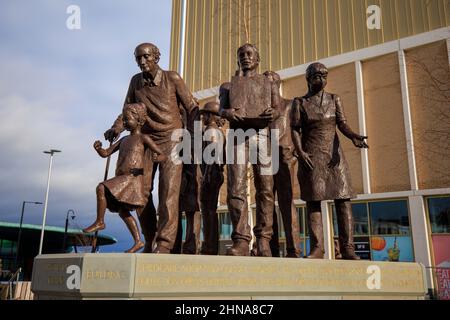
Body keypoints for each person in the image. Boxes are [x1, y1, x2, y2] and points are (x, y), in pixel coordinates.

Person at [104, 43, 198, 253]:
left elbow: (192, 107)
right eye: (138, 58)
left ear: (156, 57)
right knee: (140, 193)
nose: (142, 61)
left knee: (168, 192)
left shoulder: (172, 78)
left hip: (172, 140)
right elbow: (126, 111)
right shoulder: (135, 82)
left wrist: (191, 136)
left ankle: (165, 243)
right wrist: (116, 128)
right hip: (145, 142)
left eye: (146, 57)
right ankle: (151, 238)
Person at [291, 62, 368, 260]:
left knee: (343, 199)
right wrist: (300, 152)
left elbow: (342, 124)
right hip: (311, 156)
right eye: (317, 75)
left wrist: (353, 136)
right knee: (313, 201)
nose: (321, 79)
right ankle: (318, 248)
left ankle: (348, 248)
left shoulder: (335, 99)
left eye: (324, 75)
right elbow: (295, 129)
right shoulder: (300, 102)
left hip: (334, 157)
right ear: (308, 78)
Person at [219, 43, 280, 256]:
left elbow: (278, 109)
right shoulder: (227, 86)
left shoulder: (269, 83)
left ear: (257, 59)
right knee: (235, 188)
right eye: (241, 55)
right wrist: (227, 113)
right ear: (238, 60)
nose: (245, 57)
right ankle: (241, 239)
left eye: (249, 54)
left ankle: (263, 239)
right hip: (237, 137)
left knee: (265, 188)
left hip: (262, 136)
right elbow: (221, 110)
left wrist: (273, 113)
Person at [83, 103, 166, 253]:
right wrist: (98, 148)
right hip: (122, 177)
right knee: (123, 211)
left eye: (128, 119)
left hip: (132, 179)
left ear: (139, 119)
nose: (126, 123)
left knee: (101, 187)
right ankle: (138, 242)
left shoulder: (143, 138)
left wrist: (156, 157)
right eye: (125, 120)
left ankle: (100, 221)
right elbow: (106, 153)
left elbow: (161, 154)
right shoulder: (124, 140)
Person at [263, 71, 301, 258]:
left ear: (278, 84)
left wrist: (295, 153)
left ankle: (294, 249)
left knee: (287, 202)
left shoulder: (291, 104)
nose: (268, 86)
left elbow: (301, 130)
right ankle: (272, 249)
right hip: (265, 158)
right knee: (266, 204)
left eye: (272, 82)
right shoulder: (260, 109)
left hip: (285, 157)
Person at [199, 101, 226, 255]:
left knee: (207, 211)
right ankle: (210, 245)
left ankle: (209, 246)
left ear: (211, 116)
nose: (203, 117)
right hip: (217, 172)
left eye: (205, 114)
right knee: (210, 211)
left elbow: (213, 153)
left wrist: (207, 174)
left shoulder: (210, 130)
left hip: (211, 173)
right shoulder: (221, 132)